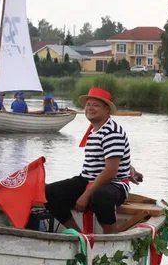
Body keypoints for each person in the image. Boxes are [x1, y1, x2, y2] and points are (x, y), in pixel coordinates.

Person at [44, 87, 136, 235]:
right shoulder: (94, 130)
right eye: (88, 104)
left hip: (114, 184)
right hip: (88, 180)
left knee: (101, 196)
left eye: (95, 105)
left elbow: (110, 172)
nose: (90, 108)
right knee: (49, 193)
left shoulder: (112, 132)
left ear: (107, 110)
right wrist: (129, 166)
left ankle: (110, 238)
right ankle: (79, 235)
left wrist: (85, 195)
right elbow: (108, 157)